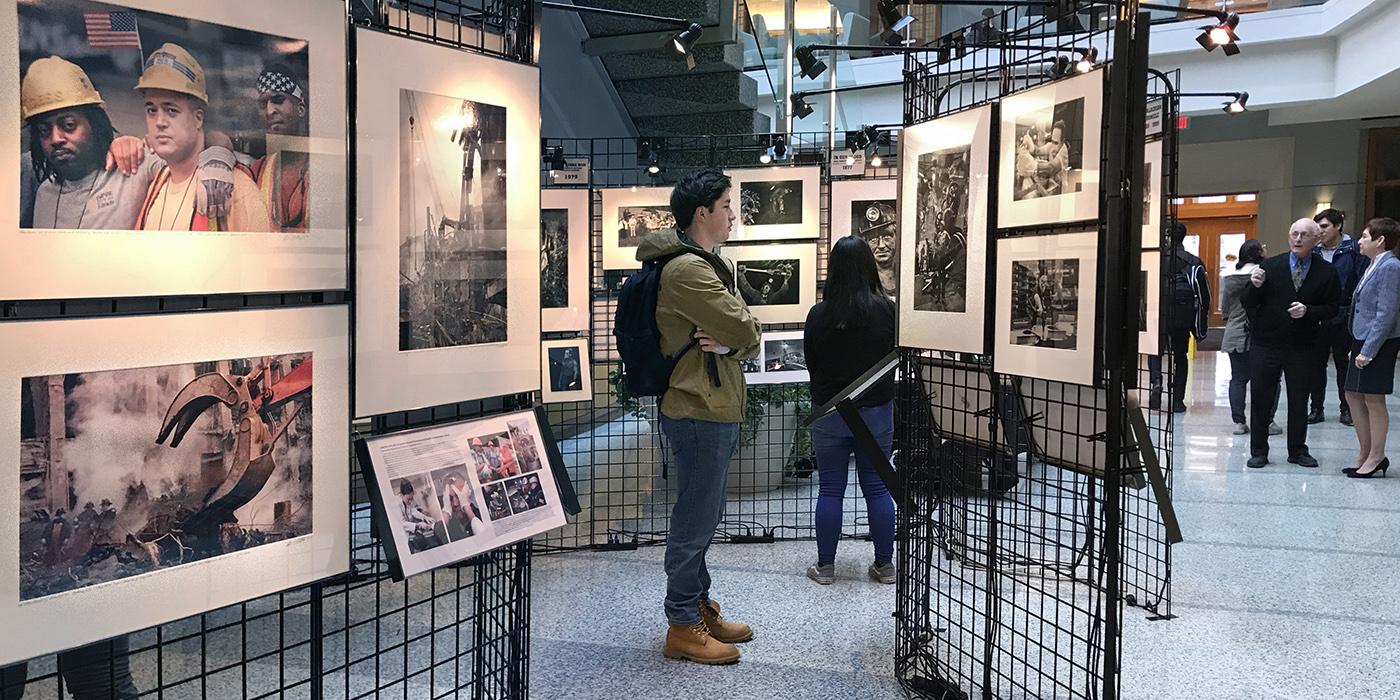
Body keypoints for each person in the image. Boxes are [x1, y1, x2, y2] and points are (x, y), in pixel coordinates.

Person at [636, 168, 761, 665]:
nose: (733, 215)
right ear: (702, 212)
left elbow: (738, 331)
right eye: (727, 205)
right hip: (697, 410)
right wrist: (741, 334)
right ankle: (682, 624)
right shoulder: (688, 270)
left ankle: (698, 609)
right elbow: (745, 324)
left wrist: (735, 338)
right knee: (694, 518)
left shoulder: (708, 264)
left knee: (704, 515)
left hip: (711, 405)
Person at [20, 56, 231, 229]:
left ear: (93, 124)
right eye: (44, 131)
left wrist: (216, 158)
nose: (56, 139)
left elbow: (200, 141)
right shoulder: (44, 193)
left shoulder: (133, 166)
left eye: (68, 125)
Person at [801, 236, 897, 587]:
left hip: (829, 414)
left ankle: (825, 568)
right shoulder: (887, 310)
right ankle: (885, 566)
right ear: (870, 266)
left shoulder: (818, 314)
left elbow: (812, 363)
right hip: (875, 413)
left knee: (830, 490)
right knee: (877, 489)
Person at [132, 43, 272, 231]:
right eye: (151, 110)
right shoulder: (157, 184)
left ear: (198, 118)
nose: (159, 121)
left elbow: (261, 259)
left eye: (171, 110)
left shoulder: (235, 190)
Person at [1242, 218, 1340, 469]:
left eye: (1304, 235)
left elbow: (1333, 308)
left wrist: (1308, 311)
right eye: (1294, 234)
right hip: (1267, 343)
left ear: (1316, 239)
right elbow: (1248, 301)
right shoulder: (1270, 266)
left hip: (1303, 345)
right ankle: (1259, 450)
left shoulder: (1325, 271)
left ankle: (1297, 450)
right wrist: (1254, 286)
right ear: (1288, 237)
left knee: (1299, 399)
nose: (1298, 239)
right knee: (1262, 397)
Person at [1341, 218, 1400, 478]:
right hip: (1361, 336)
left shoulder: (1391, 266)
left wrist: (1369, 349)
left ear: (1380, 241)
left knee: (1373, 398)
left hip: (1380, 341)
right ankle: (1365, 452)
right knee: (1352, 393)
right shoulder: (1372, 264)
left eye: (1365, 236)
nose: (1360, 241)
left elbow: (1386, 312)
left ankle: (1377, 456)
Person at [1309, 209, 1368, 425]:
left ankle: (1347, 409)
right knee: (1316, 364)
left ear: (1338, 226)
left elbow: (1362, 281)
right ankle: (1316, 408)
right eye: (1318, 228)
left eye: (1324, 227)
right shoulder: (1314, 251)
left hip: (1344, 314)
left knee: (1344, 363)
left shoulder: (1353, 249)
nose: (1320, 231)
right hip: (1318, 315)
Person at [1220, 240, 1282, 436]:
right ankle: (1267, 421)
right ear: (1259, 254)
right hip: (1261, 334)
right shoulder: (1265, 274)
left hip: (1234, 333)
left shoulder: (1229, 277)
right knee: (1269, 380)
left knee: (1237, 379)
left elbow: (1225, 309)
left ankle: (1239, 422)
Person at [1152, 222, 1210, 412]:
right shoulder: (1194, 261)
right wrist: (1200, 326)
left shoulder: (1156, 259)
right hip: (1183, 316)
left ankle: (1155, 385)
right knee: (1180, 356)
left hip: (1158, 313)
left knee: (1155, 352)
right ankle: (1177, 400)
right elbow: (1204, 296)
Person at [250, 61, 310, 231]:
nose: (270, 111)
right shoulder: (257, 170)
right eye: (263, 104)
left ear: (300, 108)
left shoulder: (324, 165)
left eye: (278, 100)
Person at [397, 481, 440, 552]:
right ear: (401, 495)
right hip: (403, 535)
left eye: (411, 499)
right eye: (408, 499)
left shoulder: (408, 502)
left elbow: (413, 511)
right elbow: (402, 523)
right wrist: (417, 525)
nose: (410, 501)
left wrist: (425, 517)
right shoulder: (397, 505)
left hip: (411, 531)